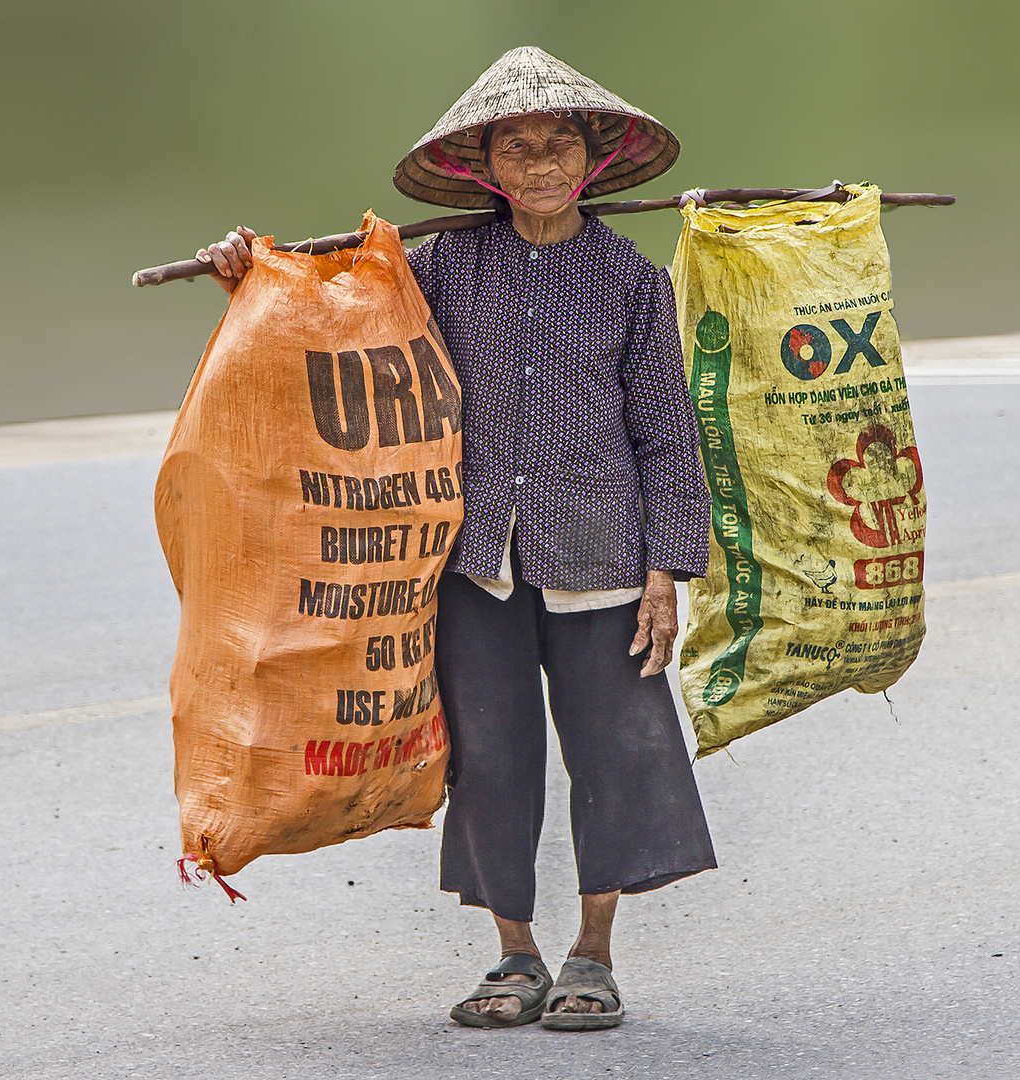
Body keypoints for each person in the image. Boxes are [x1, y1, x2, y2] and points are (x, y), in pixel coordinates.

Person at [197, 46, 715, 1031]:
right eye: (517, 148)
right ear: (486, 168)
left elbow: (665, 435)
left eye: (559, 145)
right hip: (470, 559)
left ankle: (591, 957)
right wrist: (250, 272)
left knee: (613, 755)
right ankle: (515, 955)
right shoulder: (437, 269)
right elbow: (334, 322)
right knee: (490, 756)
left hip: (601, 553)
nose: (541, 165)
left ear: (593, 160)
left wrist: (666, 572)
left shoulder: (631, 282)